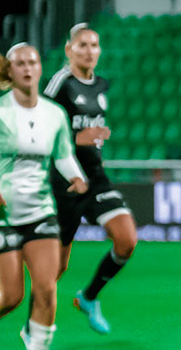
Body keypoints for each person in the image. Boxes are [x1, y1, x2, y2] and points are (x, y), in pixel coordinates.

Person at [0, 43, 87, 350]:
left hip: (40, 210)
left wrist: (76, 177)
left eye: (33, 62)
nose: (28, 68)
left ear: (40, 68)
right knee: (13, 295)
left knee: (46, 285)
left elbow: (63, 155)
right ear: (11, 71)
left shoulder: (54, 114)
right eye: (20, 63)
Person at [45, 23, 139, 333]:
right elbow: (41, 129)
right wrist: (77, 138)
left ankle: (88, 297)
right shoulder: (60, 83)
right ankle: (36, 332)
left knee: (126, 240)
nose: (89, 51)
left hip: (96, 178)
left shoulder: (101, 87)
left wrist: (92, 138)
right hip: (65, 181)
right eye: (82, 45)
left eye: (94, 45)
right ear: (69, 50)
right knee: (55, 269)